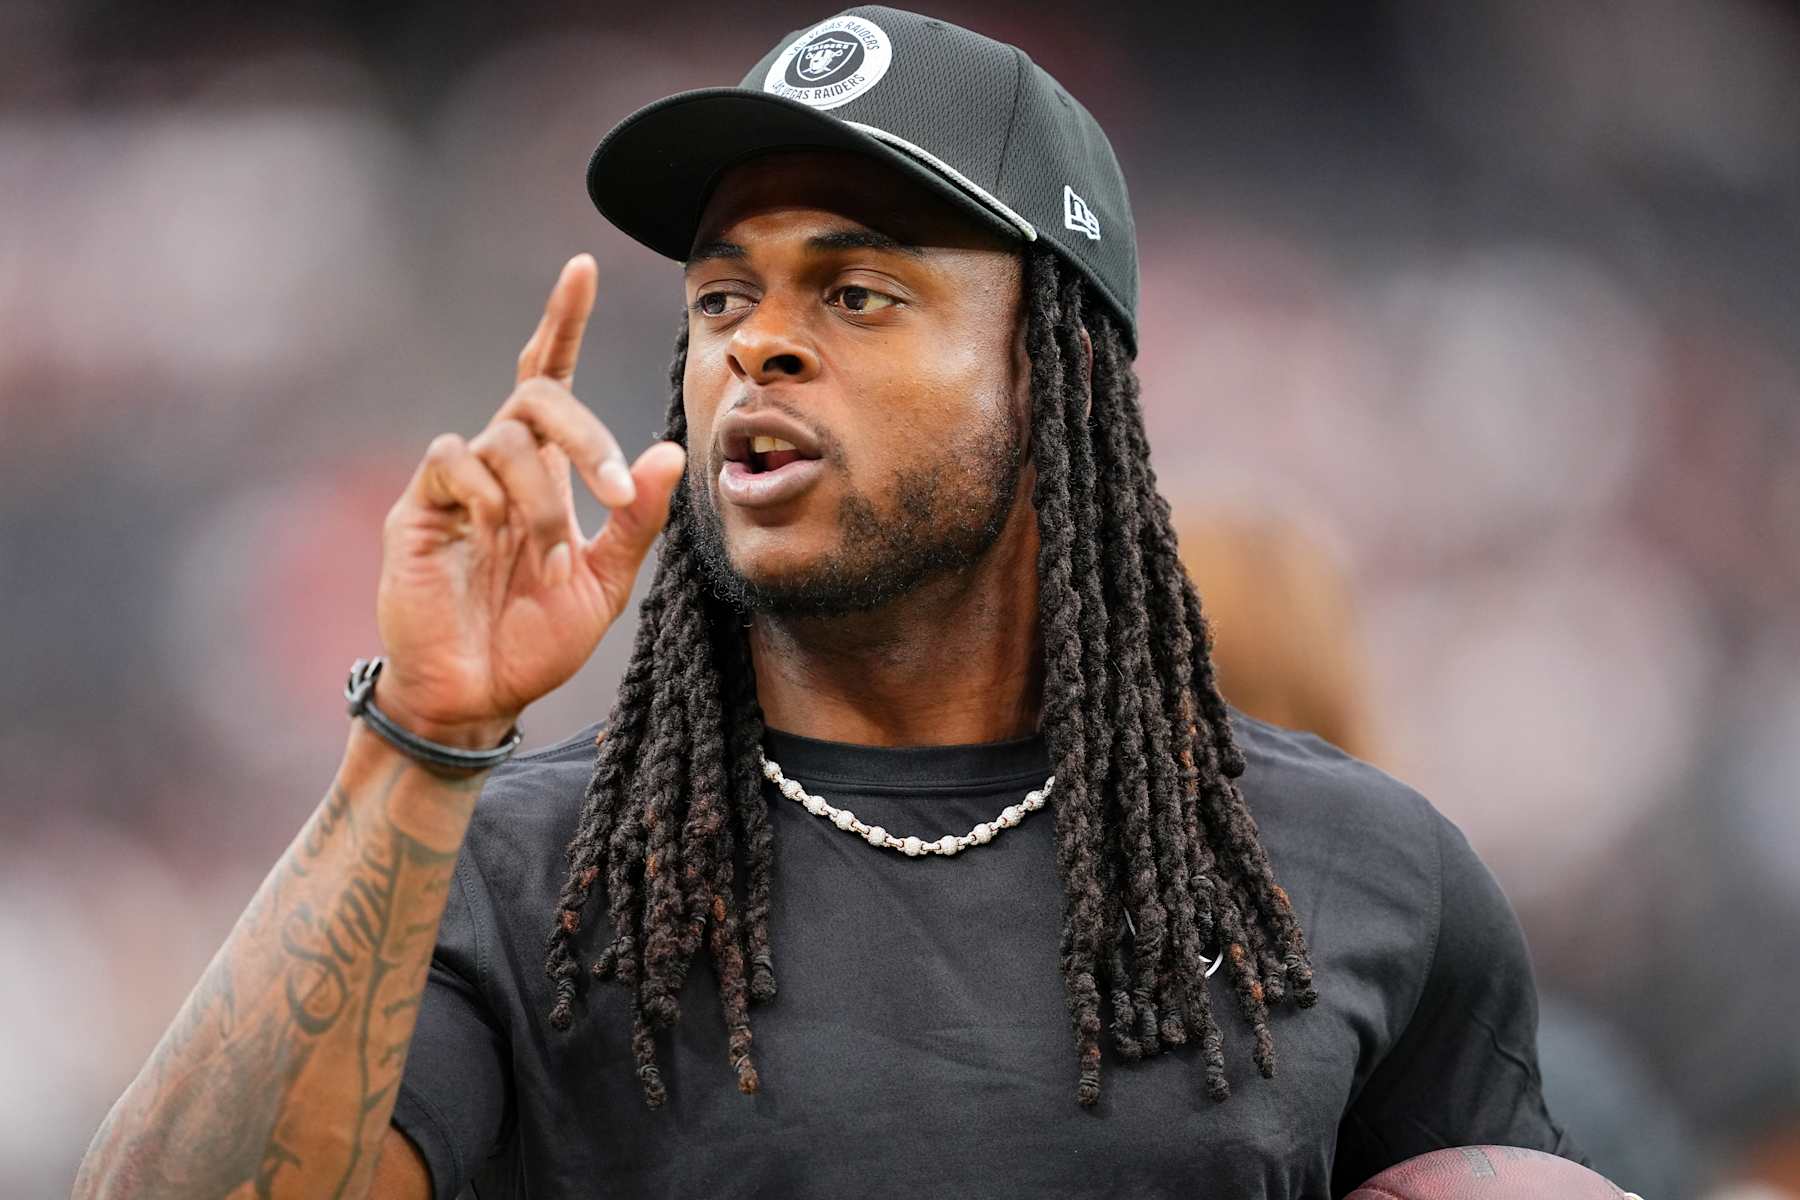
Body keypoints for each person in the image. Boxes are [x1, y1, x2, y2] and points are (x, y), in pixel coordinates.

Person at [74, 7, 1583, 1198]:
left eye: (855, 292)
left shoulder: (1358, 874)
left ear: (1054, 374)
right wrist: (414, 737)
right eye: (726, 298)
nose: (757, 347)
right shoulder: (525, 875)